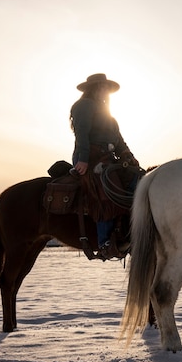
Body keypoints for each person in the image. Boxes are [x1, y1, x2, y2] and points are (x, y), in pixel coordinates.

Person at [70, 73, 138, 259]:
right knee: (107, 186)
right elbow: (81, 133)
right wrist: (83, 158)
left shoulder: (109, 114)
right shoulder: (83, 106)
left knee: (137, 179)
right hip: (90, 157)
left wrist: (129, 156)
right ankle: (104, 242)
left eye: (107, 88)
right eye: (102, 87)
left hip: (109, 158)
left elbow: (120, 141)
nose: (105, 91)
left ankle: (127, 231)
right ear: (93, 88)